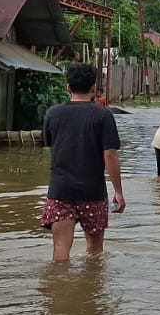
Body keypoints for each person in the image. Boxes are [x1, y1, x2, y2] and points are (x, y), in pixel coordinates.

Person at [41, 63, 126, 262]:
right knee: (94, 252)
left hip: (60, 191)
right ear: (94, 88)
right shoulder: (103, 115)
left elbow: (50, 148)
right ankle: (90, 291)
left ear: (68, 87)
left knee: (60, 248)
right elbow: (110, 155)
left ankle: (59, 289)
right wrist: (119, 192)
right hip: (92, 192)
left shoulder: (52, 114)